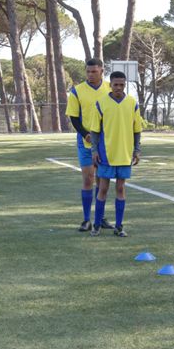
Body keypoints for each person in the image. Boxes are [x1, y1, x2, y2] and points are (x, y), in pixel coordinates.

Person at [89, 71, 143, 238]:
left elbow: (137, 130)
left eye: (121, 84)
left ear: (125, 84)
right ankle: (97, 225)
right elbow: (95, 131)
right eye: (115, 84)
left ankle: (119, 226)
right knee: (103, 188)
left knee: (120, 188)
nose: (118, 87)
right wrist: (94, 150)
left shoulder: (132, 103)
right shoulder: (101, 103)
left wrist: (137, 150)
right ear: (110, 84)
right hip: (106, 154)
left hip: (125, 154)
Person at [65, 58, 113, 232]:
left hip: (105, 142)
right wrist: (85, 134)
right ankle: (86, 220)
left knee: (103, 181)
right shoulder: (77, 91)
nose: (90, 75)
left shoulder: (110, 88)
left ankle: (100, 218)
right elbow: (73, 117)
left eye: (94, 71)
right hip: (85, 141)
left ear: (102, 71)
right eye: (88, 71)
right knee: (88, 178)